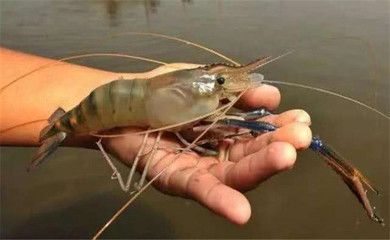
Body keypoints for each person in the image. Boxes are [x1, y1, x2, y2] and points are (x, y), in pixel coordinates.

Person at [0, 47, 312, 225]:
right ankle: (60, 127)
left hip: (115, 105)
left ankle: (60, 126)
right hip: (102, 109)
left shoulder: (194, 90)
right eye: (218, 80)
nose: (224, 84)